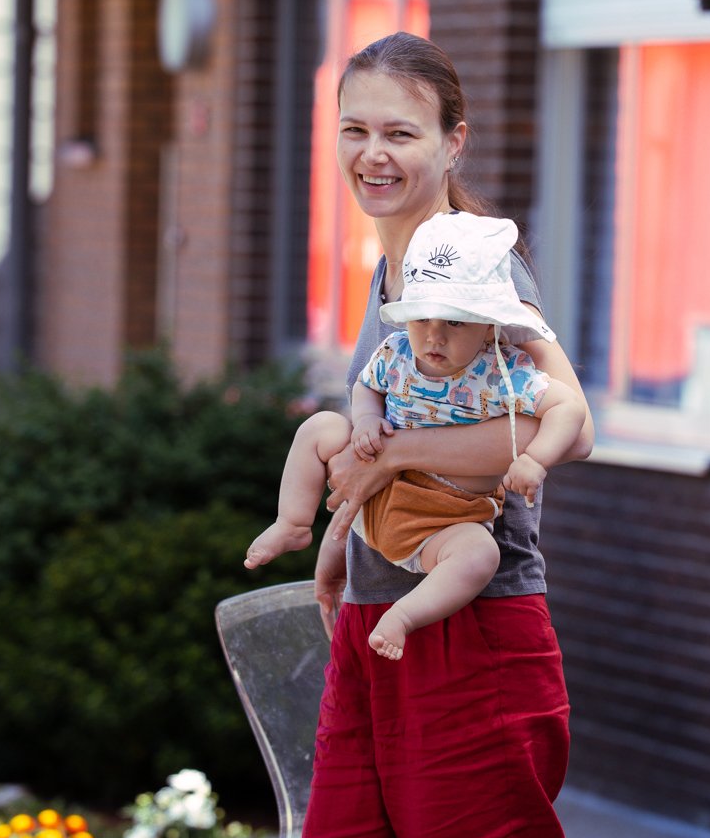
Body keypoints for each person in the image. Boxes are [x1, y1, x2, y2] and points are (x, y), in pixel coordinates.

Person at [274, 31, 590, 838]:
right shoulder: (390, 273)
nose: (373, 152)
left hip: (472, 638)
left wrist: (389, 458)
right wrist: (339, 541)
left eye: (400, 132)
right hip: (377, 631)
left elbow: (567, 427)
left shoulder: (479, 271)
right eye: (354, 129)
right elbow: (385, 455)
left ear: (454, 143)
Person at [244, 213, 587, 661]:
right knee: (321, 427)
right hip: (377, 501)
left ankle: (405, 617)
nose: (434, 336)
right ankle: (292, 523)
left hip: (441, 522)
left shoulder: (501, 372)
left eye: (456, 323)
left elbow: (570, 409)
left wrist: (535, 459)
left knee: (480, 555)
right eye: (421, 318)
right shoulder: (397, 351)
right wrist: (366, 421)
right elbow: (368, 386)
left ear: (489, 325)